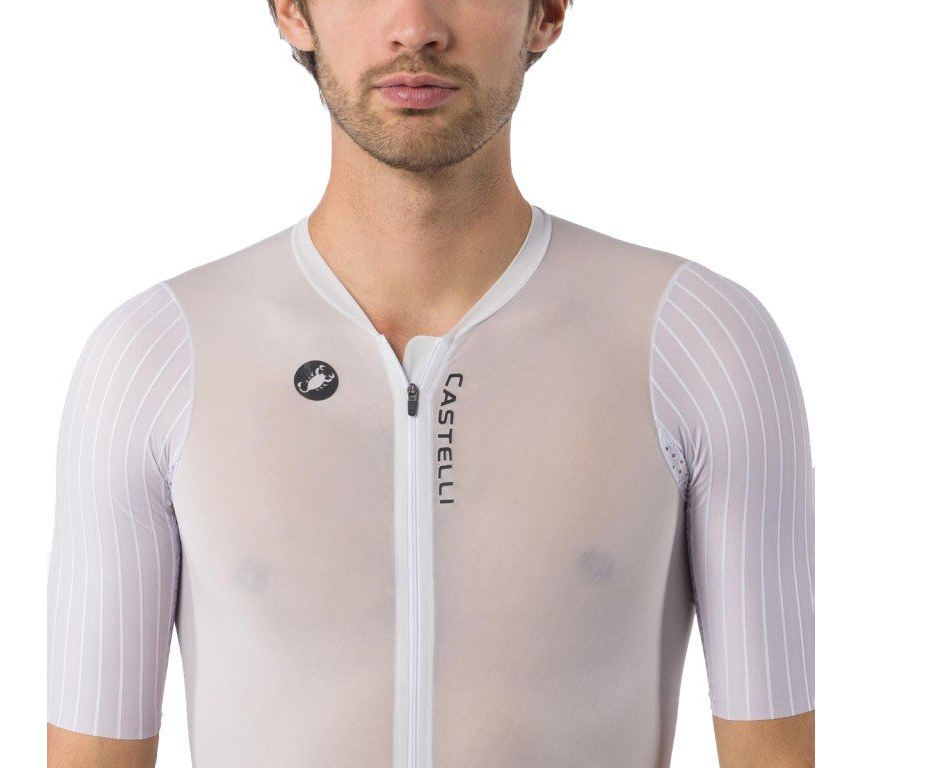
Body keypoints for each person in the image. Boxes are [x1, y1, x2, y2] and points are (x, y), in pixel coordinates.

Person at [45, 1, 815, 766]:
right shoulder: (153, 357)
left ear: (546, 13)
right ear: (292, 13)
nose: (415, 27)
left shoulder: (696, 340)